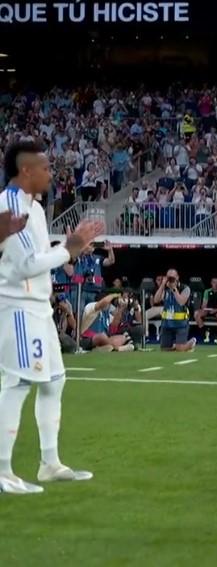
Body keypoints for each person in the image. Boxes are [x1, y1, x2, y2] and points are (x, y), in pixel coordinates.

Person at [0, 140, 104, 493]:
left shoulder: (36, 209)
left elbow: (41, 258)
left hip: (39, 308)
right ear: (25, 170)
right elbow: (26, 266)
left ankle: (49, 463)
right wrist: (69, 248)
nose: (50, 173)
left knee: (54, 382)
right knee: (17, 384)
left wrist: (67, 249)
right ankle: (3, 470)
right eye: (44, 167)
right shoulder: (9, 207)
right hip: (17, 308)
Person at [154, 269, 196, 353]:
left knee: (180, 349)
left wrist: (174, 289)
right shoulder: (165, 289)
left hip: (181, 323)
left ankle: (191, 342)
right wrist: (162, 285)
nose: (170, 280)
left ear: (177, 277)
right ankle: (175, 346)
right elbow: (156, 300)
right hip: (167, 323)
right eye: (168, 277)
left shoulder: (185, 288)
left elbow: (181, 302)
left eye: (172, 278)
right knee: (165, 349)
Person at [194, 278, 217, 342]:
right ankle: (204, 333)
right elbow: (204, 304)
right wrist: (205, 309)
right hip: (208, 309)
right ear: (211, 283)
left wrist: (215, 310)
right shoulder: (207, 291)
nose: (216, 284)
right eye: (214, 282)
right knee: (196, 313)